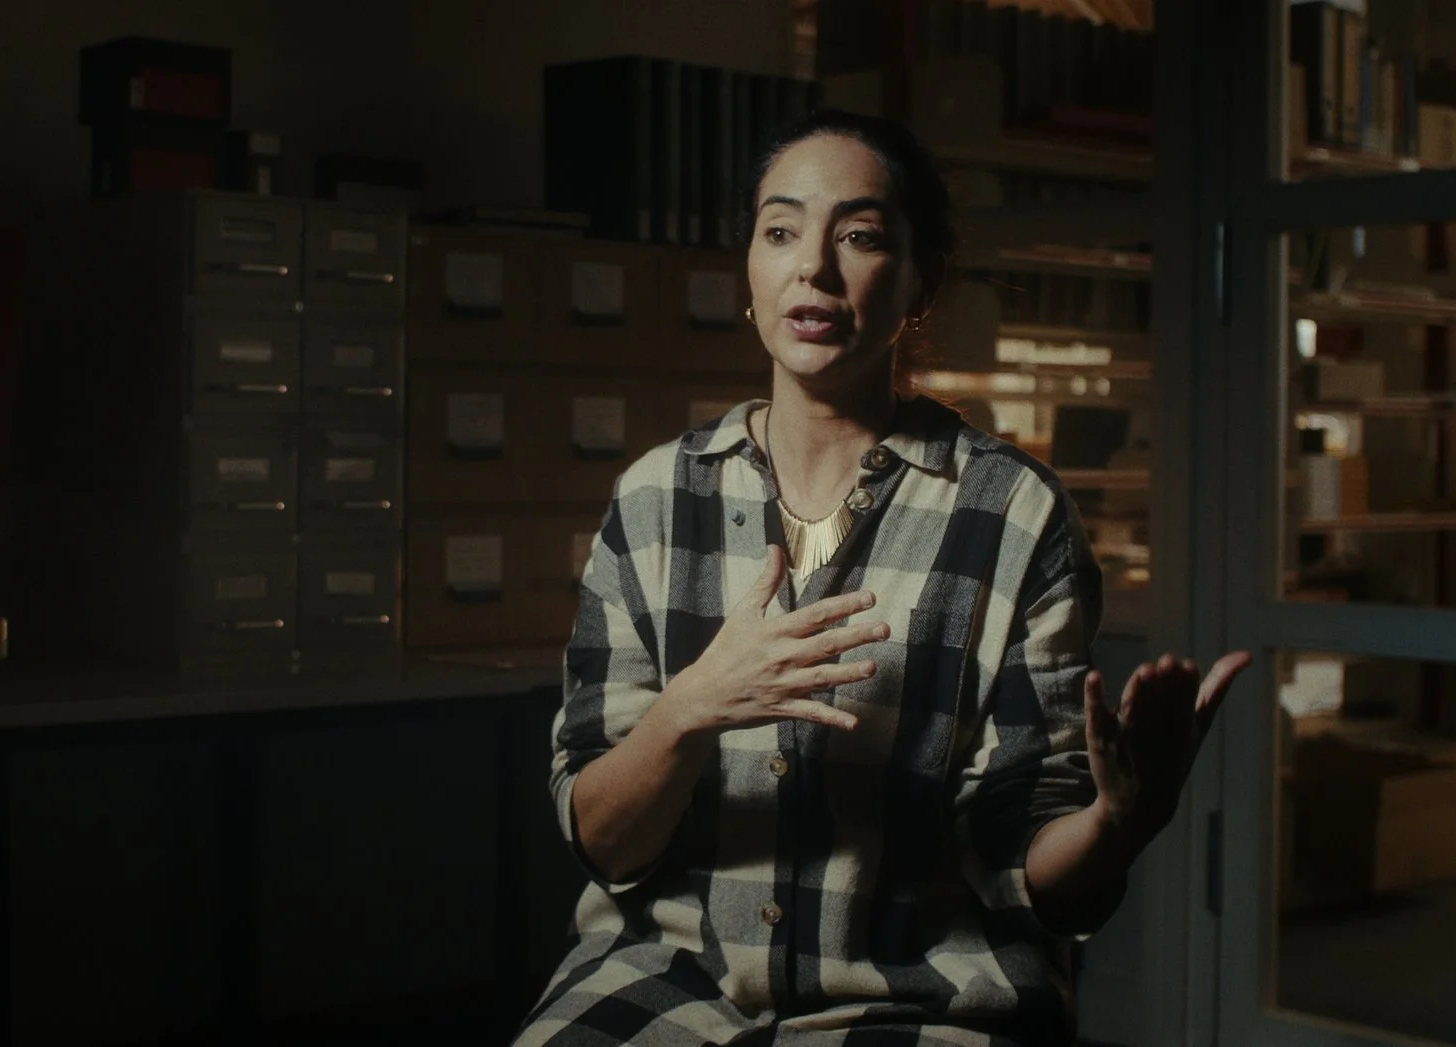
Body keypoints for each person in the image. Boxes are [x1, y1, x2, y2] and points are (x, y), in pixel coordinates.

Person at [515, 109, 1252, 1047]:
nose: (813, 269)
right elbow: (603, 840)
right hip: (670, 975)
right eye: (781, 231)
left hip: (922, 991)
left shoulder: (1014, 514)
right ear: (750, 271)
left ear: (920, 281)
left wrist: (1119, 822)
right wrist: (690, 708)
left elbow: (1019, 859)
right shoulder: (655, 497)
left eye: (859, 236)